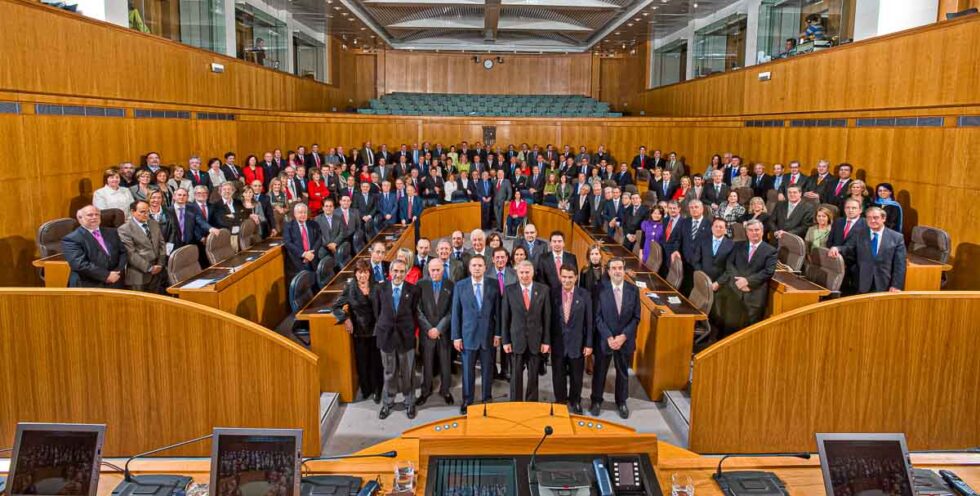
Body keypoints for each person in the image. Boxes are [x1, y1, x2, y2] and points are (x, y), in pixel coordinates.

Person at [590, 258, 640, 419]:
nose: (617, 271)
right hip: (606, 339)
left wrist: (623, 336)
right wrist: (609, 337)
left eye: (620, 268)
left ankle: (621, 401)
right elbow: (597, 317)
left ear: (624, 270)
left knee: (623, 372)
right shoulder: (599, 289)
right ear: (609, 271)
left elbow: (636, 317)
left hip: (624, 340)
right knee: (600, 372)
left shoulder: (633, 290)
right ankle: (596, 400)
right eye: (614, 268)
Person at [451, 255, 502, 415]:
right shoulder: (460, 286)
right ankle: (468, 400)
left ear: (485, 267)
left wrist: (498, 334)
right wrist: (456, 336)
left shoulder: (494, 284)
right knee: (468, 371)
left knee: (487, 370)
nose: (477, 268)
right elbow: (456, 313)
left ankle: (487, 398)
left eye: (480, 265)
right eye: (474, 265)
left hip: (488, 336)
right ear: (469, 268)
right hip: (467, 336)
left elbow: (498, 312)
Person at [372, 259, 422, 420]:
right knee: (389, 373)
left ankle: (409, 402)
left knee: (408, 373)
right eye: (395, 271)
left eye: (401, 271)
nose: (398, 274)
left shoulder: (414, 290)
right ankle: (387, 403)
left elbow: (414, 313)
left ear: (406, 273)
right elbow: (377, 312)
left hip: (406, 337)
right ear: (390, 272)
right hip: (386, 337)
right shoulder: (380, 288)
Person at [713, 220, 777, 335]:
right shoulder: (737, 245)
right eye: (750, 230)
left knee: (750, 332)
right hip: (734, 291)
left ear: (762, 232)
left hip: (754, 294)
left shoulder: (770, 250)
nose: (754, 233)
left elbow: (768, 271)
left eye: (757, 230)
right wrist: (739, 282)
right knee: (730, 328)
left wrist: (747, 281)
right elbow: (730, 264)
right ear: (746, 233)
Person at [501, 261, 551, 402]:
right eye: (521, 272)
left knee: (533, 376)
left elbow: (547, 318)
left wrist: (546, 341)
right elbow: (505, 318)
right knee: (515, 376)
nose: (524, 275)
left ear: (533, 273)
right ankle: (516, 404)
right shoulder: (509, 290)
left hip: (536, 341)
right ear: (517, 273)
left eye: (527, 272)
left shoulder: (543, 290)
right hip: (516, 340)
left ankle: (531, 403)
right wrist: (506, 341)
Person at [829, 207, 906, 293]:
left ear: (883, 218)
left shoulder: (896, 237)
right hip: (862, 283)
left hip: (885, 284)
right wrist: (837, 248)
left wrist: (896, 285)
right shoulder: (859, 234)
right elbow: (849, 247)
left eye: (875, 218)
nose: (872, 220)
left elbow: (900, 265)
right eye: (869, 218)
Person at [551, 266, 593, 414]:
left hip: (577, 343)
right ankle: (560, 401)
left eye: (570, 277)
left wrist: (588, 344)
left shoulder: (584, 295)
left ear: (576, 278)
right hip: (558, 343)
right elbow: (548, 319)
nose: (567, 280)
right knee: (558, 375)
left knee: (577, 375)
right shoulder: (553, 293)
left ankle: (575, 401)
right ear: (560, 277)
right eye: (564, 277)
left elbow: (589, 322)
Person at [416, 259, 455, 407]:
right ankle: (425, 391)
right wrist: (429, 329)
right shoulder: (420, 284)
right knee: (427, 364)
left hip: (443, 332)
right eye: (432, 270)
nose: (435, 273)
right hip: (427, 333)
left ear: (443, 270)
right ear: (428, 270)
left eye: (438, 270)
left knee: (445, 364)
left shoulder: (450, 285)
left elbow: (452, 311)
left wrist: (439, 328)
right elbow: (418, 310)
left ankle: (445, 391)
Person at [61, 205, 127, 288]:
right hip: (89, 284)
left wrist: (117, 272)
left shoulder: (112, 232)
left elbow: (123, 252)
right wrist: (106, 275)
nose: (94, 217)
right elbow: (79, 264)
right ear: (80, 218)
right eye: (90, 215)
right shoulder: (71, 239)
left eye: (97, 214)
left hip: (115, 280)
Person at [116, 199, 167, 293]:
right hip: (139, 275)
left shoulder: (154, 223)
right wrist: (149, 268)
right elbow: (131, 254)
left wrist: (160, 264)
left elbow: (162, 245)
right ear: (133, 212)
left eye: (148, 211)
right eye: (142, 212)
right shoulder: (124, 229)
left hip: (158, 272)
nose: (146, 214)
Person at [282, 203, 321, 278]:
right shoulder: (289, 226)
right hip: (297, 263)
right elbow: (288, 243)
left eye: (305, 212)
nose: (303, 215)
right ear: (295, 214)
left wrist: (311, 254)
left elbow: (318, 239)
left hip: (312, 260)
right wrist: (304, 254)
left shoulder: (313, 224)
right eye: (300, 212)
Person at [694, 218, 735, 282]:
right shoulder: (702, 241)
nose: (718, 229)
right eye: (716, 226)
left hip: (722, 283)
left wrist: (718, 283)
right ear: (712, 228)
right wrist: (702, 277)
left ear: (725, 230)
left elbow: (731, 267)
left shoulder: (731, 245)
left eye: (721, 227)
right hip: (702, 280)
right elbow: (696, 261)